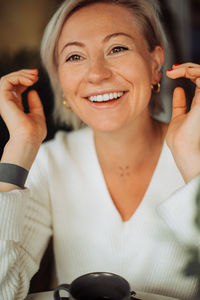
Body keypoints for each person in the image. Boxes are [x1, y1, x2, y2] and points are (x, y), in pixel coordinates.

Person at [0, 0, 200, 299]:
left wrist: (192, 164)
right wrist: (19, 148)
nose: (96, 74)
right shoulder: (50, 161)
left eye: (117, 48)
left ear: (155, 63)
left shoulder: (194, 154)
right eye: (75, 56)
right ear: (61, 80)